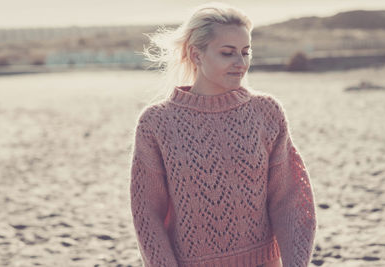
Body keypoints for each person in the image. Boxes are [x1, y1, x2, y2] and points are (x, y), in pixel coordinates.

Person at [129, 2, 317, 267]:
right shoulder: (156, 123)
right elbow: (147, 214)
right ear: (196, 55)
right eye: (228, 53)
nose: (240, 63)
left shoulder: (266, 112)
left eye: (246, 52)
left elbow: (289, 200)